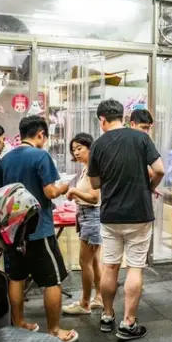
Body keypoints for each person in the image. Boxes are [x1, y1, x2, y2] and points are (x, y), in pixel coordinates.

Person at [89, 99, 165, 341]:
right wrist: (149, 186)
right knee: (134, 267)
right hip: (139, 213)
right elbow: (160, 169)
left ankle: (108, 315)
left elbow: (94, 183)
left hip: (111, 214)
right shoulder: (141, 138)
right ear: (122, 117)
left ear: (102, 120)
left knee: (110, 265)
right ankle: (128, 322)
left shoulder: (98, 144)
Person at [0, 115, 77, 342]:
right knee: (52, 280)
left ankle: (19, 322)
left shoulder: (5, 159)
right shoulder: (41, 155)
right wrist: (64, 186)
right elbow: (50, 192)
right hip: (38, 229)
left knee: (17, 277)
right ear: (40, 134)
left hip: (13, 230)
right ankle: (54, 330)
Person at [62, 133, 103, 316]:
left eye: (79, 148)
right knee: (94, 261)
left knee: (84, 261)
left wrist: (74, 191)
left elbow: (95, 198)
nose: (76, 152)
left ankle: (85, 302)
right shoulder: (87, 168)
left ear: (89, 147)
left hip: (92, 217)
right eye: (74, 149)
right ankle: (99, 298)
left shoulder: (94, 168)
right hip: (87, 216)